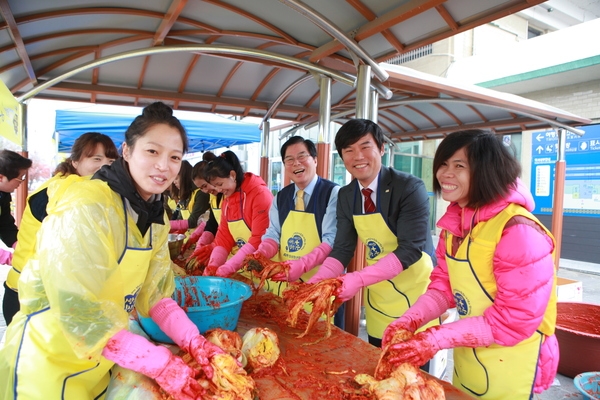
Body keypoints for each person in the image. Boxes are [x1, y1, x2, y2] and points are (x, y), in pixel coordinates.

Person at [0, 102, 223, 400]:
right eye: (152, 151)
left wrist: (194, 341)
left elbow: (155, 295)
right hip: (45, 363)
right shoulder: (88, 206)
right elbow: (79, 311)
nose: (163, 165)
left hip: (99, 363)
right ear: (127, 151)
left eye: (174, 157)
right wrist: (158, 363)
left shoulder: (155, 217)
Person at [382, 129, 558, 400]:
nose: (445, 173)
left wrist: (435, 339)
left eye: (459, 166)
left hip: (512, 363)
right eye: (443, 164)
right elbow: (444, 285)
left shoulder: (518, 231)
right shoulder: (455, 223)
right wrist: (409, 320)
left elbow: (514, 321)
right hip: (469, 354)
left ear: (487, 171)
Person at [305, 119, 436, 349]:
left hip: (415, 296)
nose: (358, 156)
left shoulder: (409, 188)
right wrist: (316, 283)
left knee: (410, 376)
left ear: (382, 149)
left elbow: (410, 249)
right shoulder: (347, 195)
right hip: (379, 295)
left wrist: (358, 279)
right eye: (349, 150)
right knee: (377, 364)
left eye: (365, 147)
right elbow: (343, 248)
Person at [3, 132, 119, 326]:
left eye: (110, 160)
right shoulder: (58, 191)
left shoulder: (87, 189)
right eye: (96, 158)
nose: (105, 165)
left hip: (48, 293)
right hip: (28, 295)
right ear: (75, 162)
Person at [253, 136, 339, 297]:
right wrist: (262, 253)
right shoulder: (281, 197)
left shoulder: (333, 193)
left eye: (302, 157)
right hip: (285, 285)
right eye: (289, 160)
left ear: (315, 160)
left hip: (320, 287)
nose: (296, 163)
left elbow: (331, 240)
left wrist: (301, 265)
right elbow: (273, 234)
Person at [201, 150, 273, 277]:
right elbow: (224, 236)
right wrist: (214, 264)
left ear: (232, 175)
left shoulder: (259, 194)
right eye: (214, 186)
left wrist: (229, 266)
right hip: (245, 267)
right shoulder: (227, 201)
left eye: (220, 184)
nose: (218, 190)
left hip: (267, 267)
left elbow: (259, 239)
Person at [181, 151, 222, 256]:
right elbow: (212, 223)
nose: (205, 191)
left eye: (205, 185)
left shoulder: (228, 196)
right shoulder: (213, 196)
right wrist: (199, 241)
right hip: (227, 251)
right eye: (201, 188)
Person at [0, 150, 32, 254]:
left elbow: (5, 224)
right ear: (1, 178)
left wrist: (19, 244)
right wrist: (6, 257)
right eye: (20, 177)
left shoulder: (3, 195)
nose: (22, 182)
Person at [169, 160, 210, 233]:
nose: (174, 182)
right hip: (189, 236)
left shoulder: (201, 193)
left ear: (185, 177)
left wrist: (168, 225)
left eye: (176, 178)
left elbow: (193, 221)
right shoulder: (183, 196)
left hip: (200, 235)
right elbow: (180, 218)